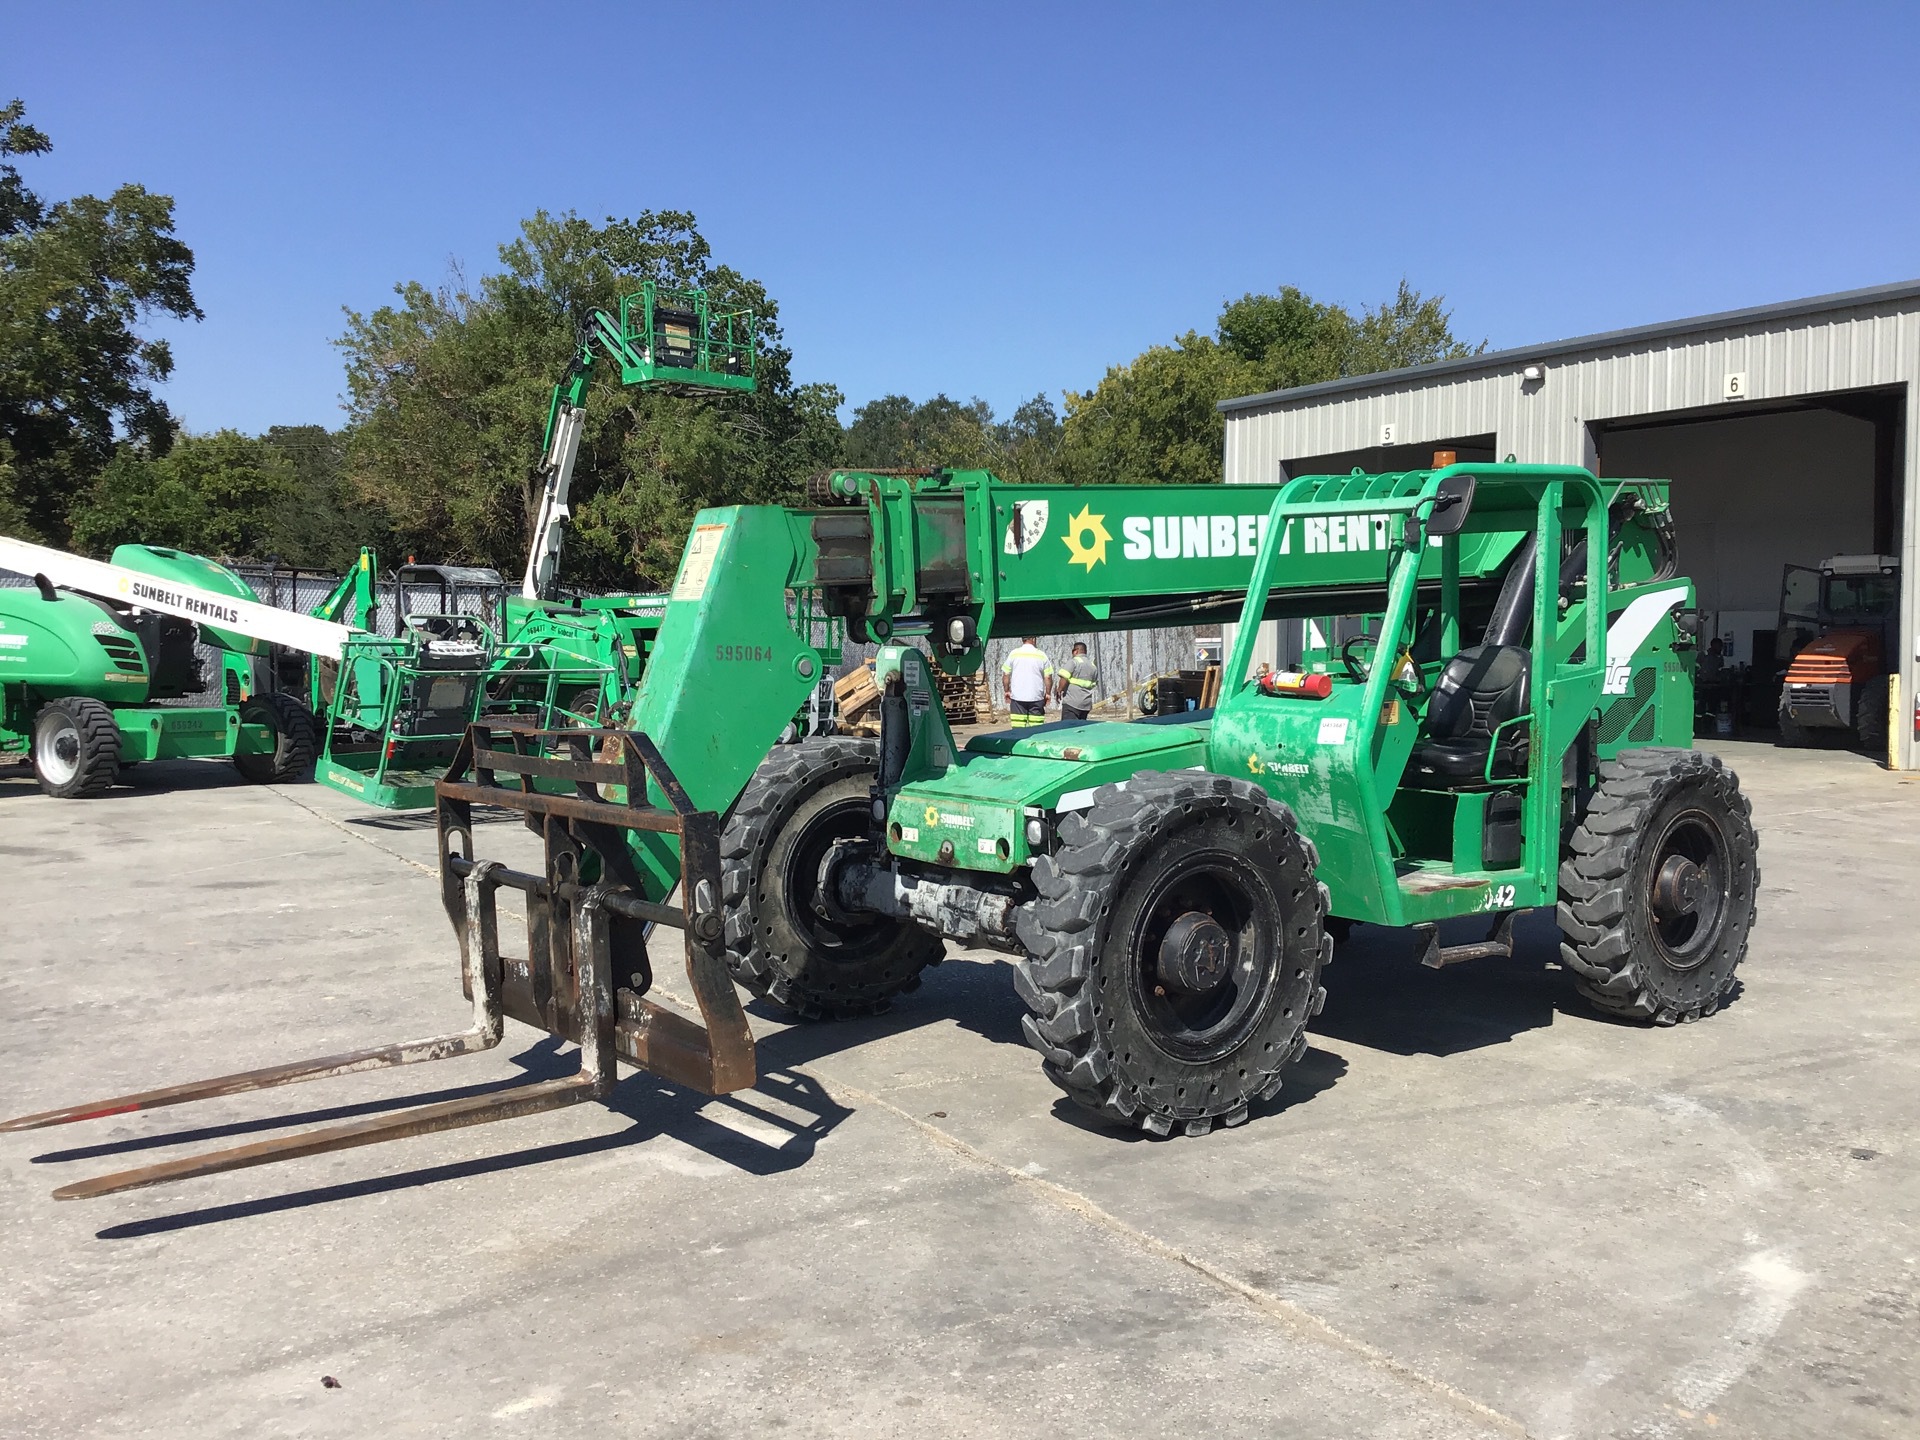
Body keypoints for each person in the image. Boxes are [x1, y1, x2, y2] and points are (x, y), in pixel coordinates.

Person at [1001, 636, 1054, 727]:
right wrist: (1048, 693)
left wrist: (1006, 691)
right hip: (1036, 698)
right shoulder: (1041, 655)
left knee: (1018, 731)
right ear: (1033, 639)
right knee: (1036, 730)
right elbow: (1048, 677)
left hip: (1018, 698)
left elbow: (1006, 675)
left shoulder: (1014, 654)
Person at [1057, 641, 1098, 721]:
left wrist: (1059, 690)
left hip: (1072, 703)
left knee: (1068, 728)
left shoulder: (1073, 662)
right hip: (1086, 704)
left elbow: (1064, 678)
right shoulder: (1093, 666)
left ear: (1075, 651)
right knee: (1080, 729)